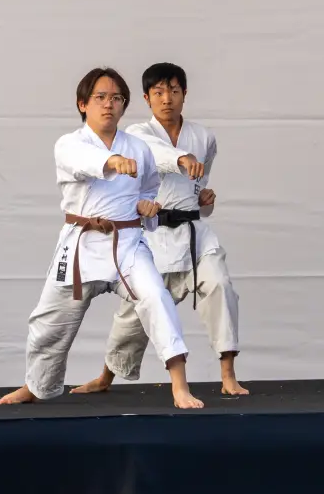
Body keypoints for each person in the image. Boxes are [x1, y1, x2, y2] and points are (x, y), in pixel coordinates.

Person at [0, 68, 202, 409]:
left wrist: (146, 205)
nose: (109, 104)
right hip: (81, 246)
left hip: (127, 244)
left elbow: (149, 186)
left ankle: (180, 386)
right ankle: (35, 386)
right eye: (100, 97)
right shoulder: (69, 144)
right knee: (48, 323)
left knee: (157, 298)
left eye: (116, 98)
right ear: (83, 104)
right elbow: (83, 163)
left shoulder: (138, 147)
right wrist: (112, 161)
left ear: (124, 105)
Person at [77, 62, 247, 396]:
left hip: (194, 235)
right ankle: (106, 377)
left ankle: (228, 374)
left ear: (184, 94)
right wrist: (182, 159)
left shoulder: (204, 137)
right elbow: (155, 154)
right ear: (146, 98)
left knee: (221, 286)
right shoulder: (137, 135)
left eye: (173, 91)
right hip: (152, 236)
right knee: (133, 313)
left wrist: (205, 199)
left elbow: (198, 186)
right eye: (158, 92)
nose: (166, 99)